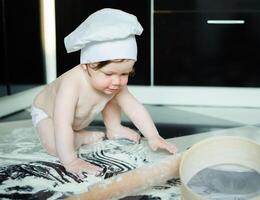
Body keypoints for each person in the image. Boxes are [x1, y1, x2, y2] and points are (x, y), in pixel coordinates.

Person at [30, 8, 177, 177]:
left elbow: (134, 108)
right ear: (87, 65)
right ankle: (82, 137)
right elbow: (62, 124)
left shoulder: (112, 83)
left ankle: (114, 128)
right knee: (55, 147)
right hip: (49, 115)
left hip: (79, 117)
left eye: (124, 74)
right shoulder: (71, 84)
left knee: (114, 92)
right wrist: (71, 160)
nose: (117, 80)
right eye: (109, 74)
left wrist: (153, 136)